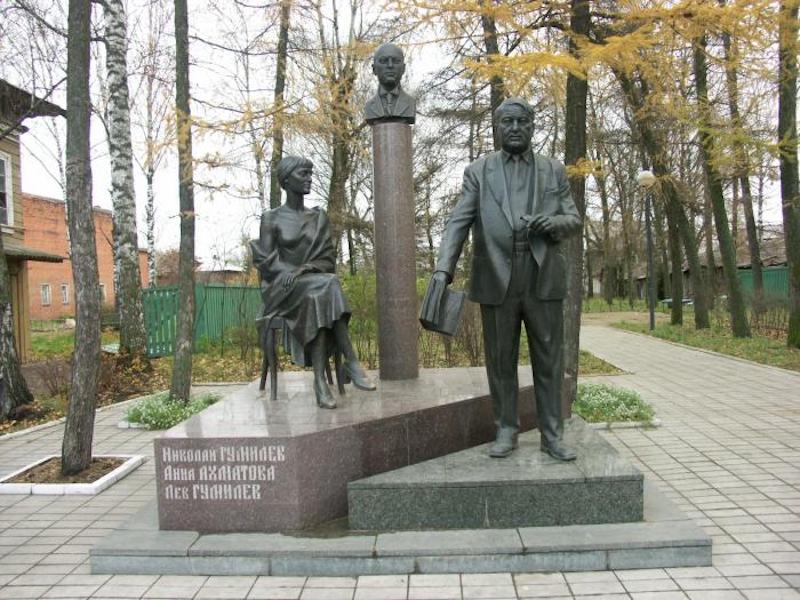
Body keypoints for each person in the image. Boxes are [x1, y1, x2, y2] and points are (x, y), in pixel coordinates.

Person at [429, 97, 582, 461]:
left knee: (549, 361)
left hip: (542, 276)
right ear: (497, 128)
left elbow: (573, 219)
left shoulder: (552, 170)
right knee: (500, 361)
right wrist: (443, 269)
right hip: (497, 277)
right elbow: (458, 222)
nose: (514, 128)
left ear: (532, 126)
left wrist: (552, 223)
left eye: (521, 122)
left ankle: (552, 435)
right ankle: (506, 429)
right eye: (507, 122)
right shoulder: (478, 172)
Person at [251, 156, 375, 408]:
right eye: (303, 174)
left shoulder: (318, 217)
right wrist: (292, 272)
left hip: (313, 285)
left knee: (320, 293)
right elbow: (265, 260)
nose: (309, 179)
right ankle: (351, 361)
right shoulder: (271, 218)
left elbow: (327, 259)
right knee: (328, 285)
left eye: (310, 173)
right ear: (287, 180)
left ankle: (320, 382)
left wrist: (304, 269)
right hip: (281, 288)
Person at [364, 43, 416, 125]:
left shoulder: (410, 103)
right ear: (374, 69)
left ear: (403, 68)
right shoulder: (369, 106)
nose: (390, 65)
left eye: (396, 61)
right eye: (383, 61)